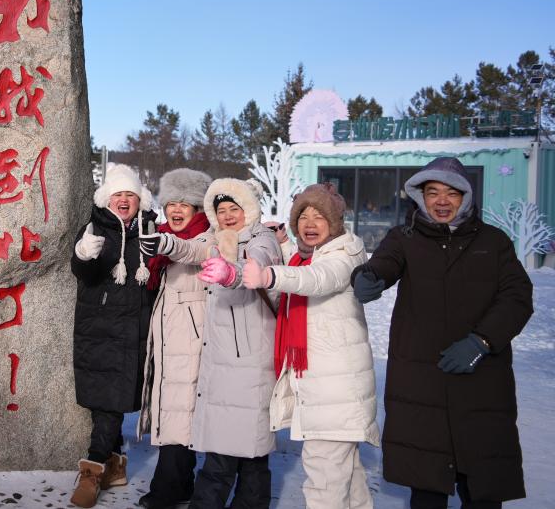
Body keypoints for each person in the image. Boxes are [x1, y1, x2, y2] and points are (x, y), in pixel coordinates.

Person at [351, 157, 533, 508]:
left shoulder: (493, 242)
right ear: (421, 197)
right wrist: (368, 277)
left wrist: (481, 341)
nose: (442, 200)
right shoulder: (404, 238)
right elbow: (384, 263)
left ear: (465, 197)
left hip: (481, 382)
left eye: (452, 192)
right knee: (427, 486)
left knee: (482, 489)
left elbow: (517, 297)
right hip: (423, 381)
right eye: (433, 192)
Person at [240, 183, 378, 509]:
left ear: (335, 222)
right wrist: (281, 245)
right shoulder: (306, 257)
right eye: (303, 216)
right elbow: (303, 271)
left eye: (319, 216)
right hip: (325, 389)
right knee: (348, 477)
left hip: (335, 391)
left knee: (324, 481)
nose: (310, 223)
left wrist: (269, 276)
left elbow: (318, 278)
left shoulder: (345, 255)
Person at [189, 178, 284, 509]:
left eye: (235, 208)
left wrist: (232, 273)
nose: (228, 215)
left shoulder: (262, 240)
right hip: (226, 361)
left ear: (249, 209)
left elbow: (255, 264)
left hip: (248, 362)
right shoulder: (216, 240)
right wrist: (166, 244)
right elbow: (189, 249)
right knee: (249, 454)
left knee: (226, 455)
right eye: (222, 210)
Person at [69, 164, 159, 508]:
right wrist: (83, 255)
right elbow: (84, 273)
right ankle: (100, 469)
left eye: (130, 195)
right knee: (106, 401)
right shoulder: (94, 227)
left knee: (113, 400)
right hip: (99, 328)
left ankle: (105, 467)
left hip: (136, 328)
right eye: (118, 194)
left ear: (140, 200)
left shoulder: (151, 230)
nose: (124, 200)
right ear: (107, 199)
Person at [134, 168, 213, 509]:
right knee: (176, 410)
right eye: (171, 203)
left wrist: (166, 244)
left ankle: (166, 489)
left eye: (185, 203)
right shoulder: (162, 236)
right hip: (171, 338)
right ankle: (181, 485)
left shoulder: (207, 236)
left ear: (198, 209)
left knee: (179, 412)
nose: (176, 210)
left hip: (191, 340)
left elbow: (192, 251)